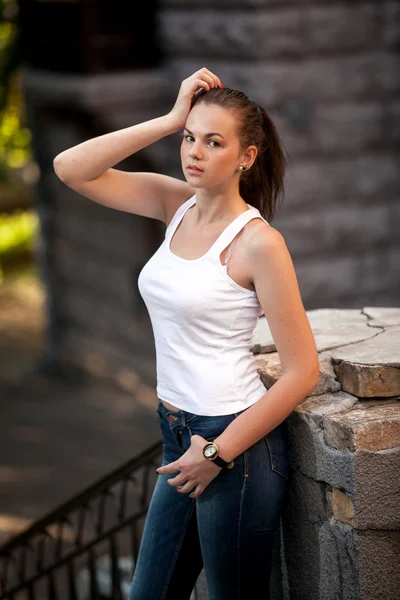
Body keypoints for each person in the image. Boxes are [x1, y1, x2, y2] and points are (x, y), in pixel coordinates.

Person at [53, 67, 320, 599]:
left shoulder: (259, 244)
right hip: (176, 428)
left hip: (234, 446)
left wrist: (218, 452)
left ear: (247, 157)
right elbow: (70, 168)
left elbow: (301, 371)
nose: (194, 151)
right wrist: (171, 116)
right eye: (189, 138)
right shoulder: (174, 206)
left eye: (213, 142)